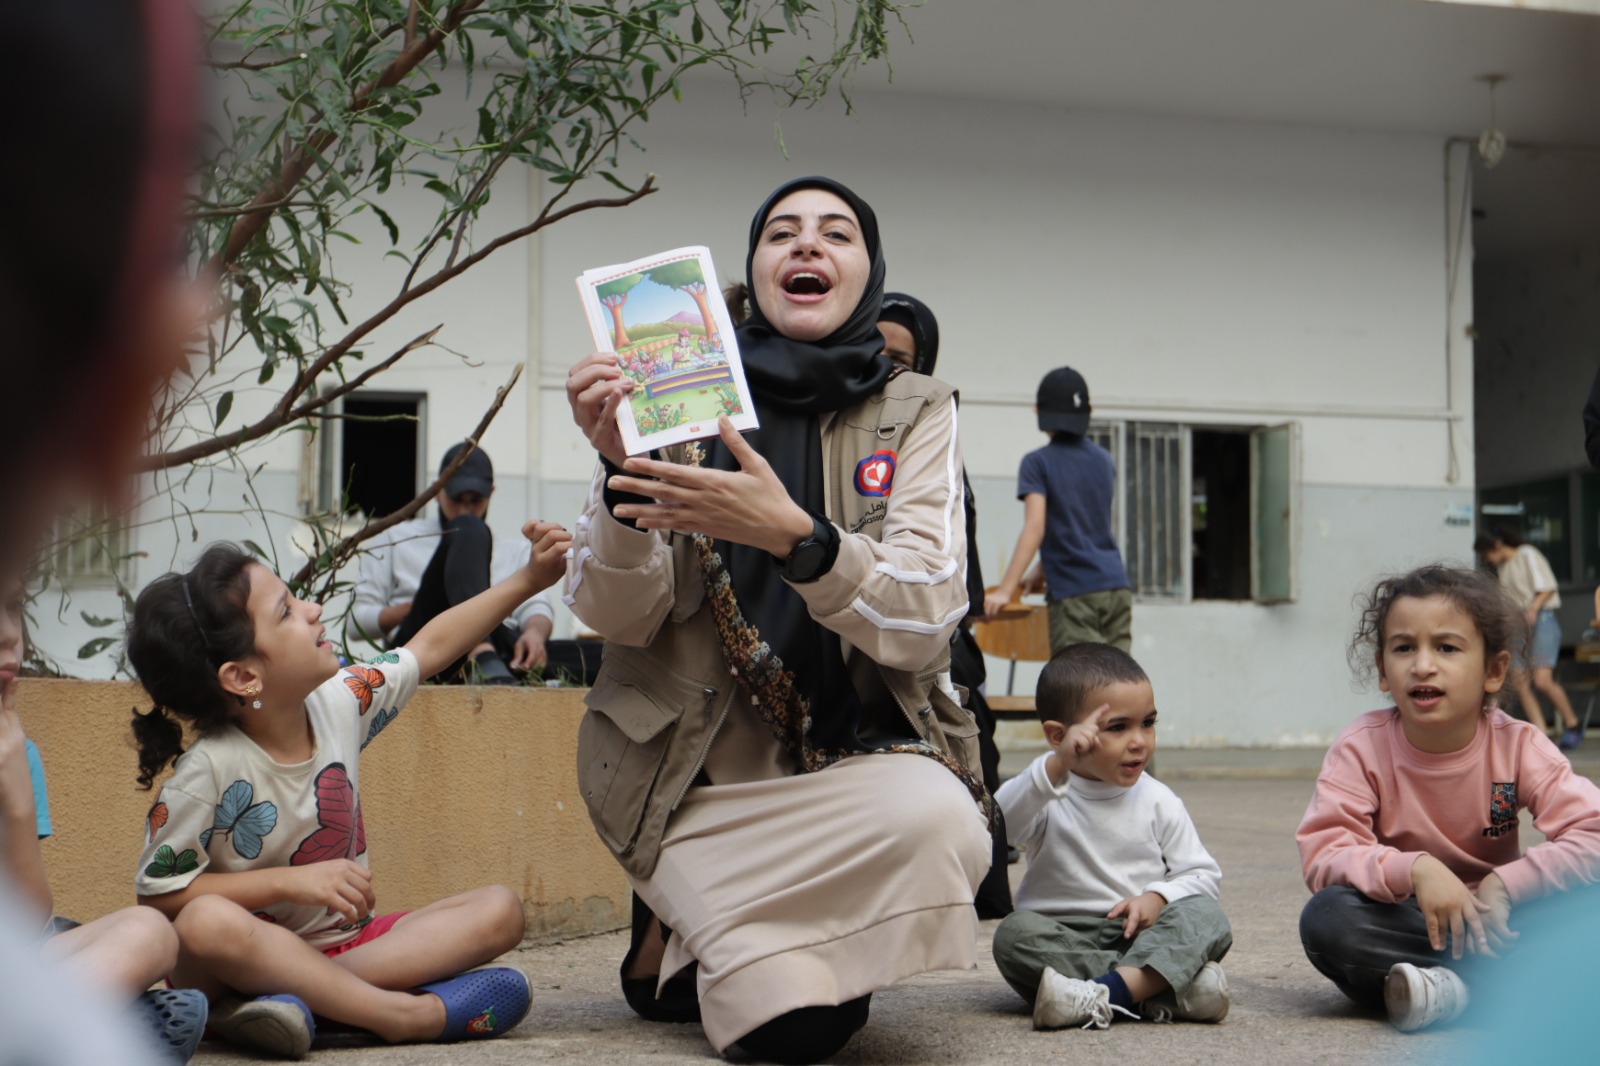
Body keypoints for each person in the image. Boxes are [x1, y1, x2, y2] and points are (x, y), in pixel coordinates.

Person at [563, 176, 992, 1063]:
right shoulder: (669, 397)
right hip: (692, 792)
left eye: (836, 233)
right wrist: (621, 480)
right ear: (753, 269)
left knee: (943, 820)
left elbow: (923, 620)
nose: (807, 246)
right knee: (795, 1028)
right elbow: (616, 615)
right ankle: (735, 924)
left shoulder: (916, 411)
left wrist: (802, 541)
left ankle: (696, 933)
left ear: (867, 274)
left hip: (842, 784)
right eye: (782, 234)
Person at [124, 527, 571, 1056]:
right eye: (286, 612)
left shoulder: (341, 701)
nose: (312, 609)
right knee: (203, 922)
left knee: (500, 910)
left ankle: (295, 1004)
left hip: (344, 947)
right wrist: (292, 882)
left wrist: (528, 579)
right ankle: (402, 1015)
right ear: (243, 676)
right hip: (229, 965)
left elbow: (427, 647)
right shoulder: (208, 772)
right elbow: (161, 896)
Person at [1296, 565, 1600, 1032]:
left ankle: (1453, 992)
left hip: (1501, 920)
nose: (1422, 664)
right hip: (1412, 922)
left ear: (1494, 671)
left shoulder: (1518, 746)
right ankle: (1513, 990)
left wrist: (1505, 883)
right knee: (1330, 919)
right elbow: (1325, 851)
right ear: (1382, 670)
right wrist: (1415, 870)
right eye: (1403, 648)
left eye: (1446, 647)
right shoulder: (1362, 747)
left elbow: (1592, 832)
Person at [2, 574, 207, 1063]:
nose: (8, 633)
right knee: (165, 1019)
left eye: (12, 606)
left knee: (149, 931)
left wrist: (15, 798)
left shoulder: (16, 752)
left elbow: (29, 921)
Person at [992, 643, 1231, 1030]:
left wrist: (1156, 897)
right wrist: (1056, 767)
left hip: (1139, 937)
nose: (1139, 741)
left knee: (1207, 916)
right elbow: (1000, 823)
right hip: (1062, 936)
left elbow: (1203, 877)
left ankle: (1097, 996)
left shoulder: (1159, 800)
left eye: (1148, 723)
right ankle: (1160, 991)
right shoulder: (1049, 794)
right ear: (1059, 735)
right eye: (1118, 727)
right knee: (1013, 937)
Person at [878, 290, 1012, 919]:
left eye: (902, 360)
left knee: (965, 722)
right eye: (872, 353)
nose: (887, 371)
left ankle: (983, 887)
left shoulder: (934, 439)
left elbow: (958, 581)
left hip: (932, 630)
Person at [350, 442, 554, 685]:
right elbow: (356, 623)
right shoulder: (397, 539)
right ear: (437, 491)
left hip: (499, 649)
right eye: (456, 498)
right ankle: (480, 650)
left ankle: (492, 656)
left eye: (475, 499)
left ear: (491, 492)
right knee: (467, 527)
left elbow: (536, 607)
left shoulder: (514, 550)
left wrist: (534, 634)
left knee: (596, 656)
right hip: (422, 644)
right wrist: (408, 610)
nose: (464, 508)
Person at [983, 367, 1131, 655]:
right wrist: (1041, 569)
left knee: (1079, 687)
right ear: (1088, 412)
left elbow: (1035, 527)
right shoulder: (1104, 460)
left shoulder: (1037, 463)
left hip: (1076, 593)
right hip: (1116, 587)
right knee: (1118, 682)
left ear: (1038, 411)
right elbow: (1084, 525)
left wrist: (1005, 589)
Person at [1471, 528, 1582, 747]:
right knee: (1519, 680)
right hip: (1517, 624)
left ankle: (1573, 724)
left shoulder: (1526, 553)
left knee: (1542, 680)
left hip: (1541, 619)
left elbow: (1547, 587)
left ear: (1497, 546)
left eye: (1487, 555)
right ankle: (1542, 734)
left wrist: (1532, 609)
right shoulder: (1503, 567)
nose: (1488, 560)